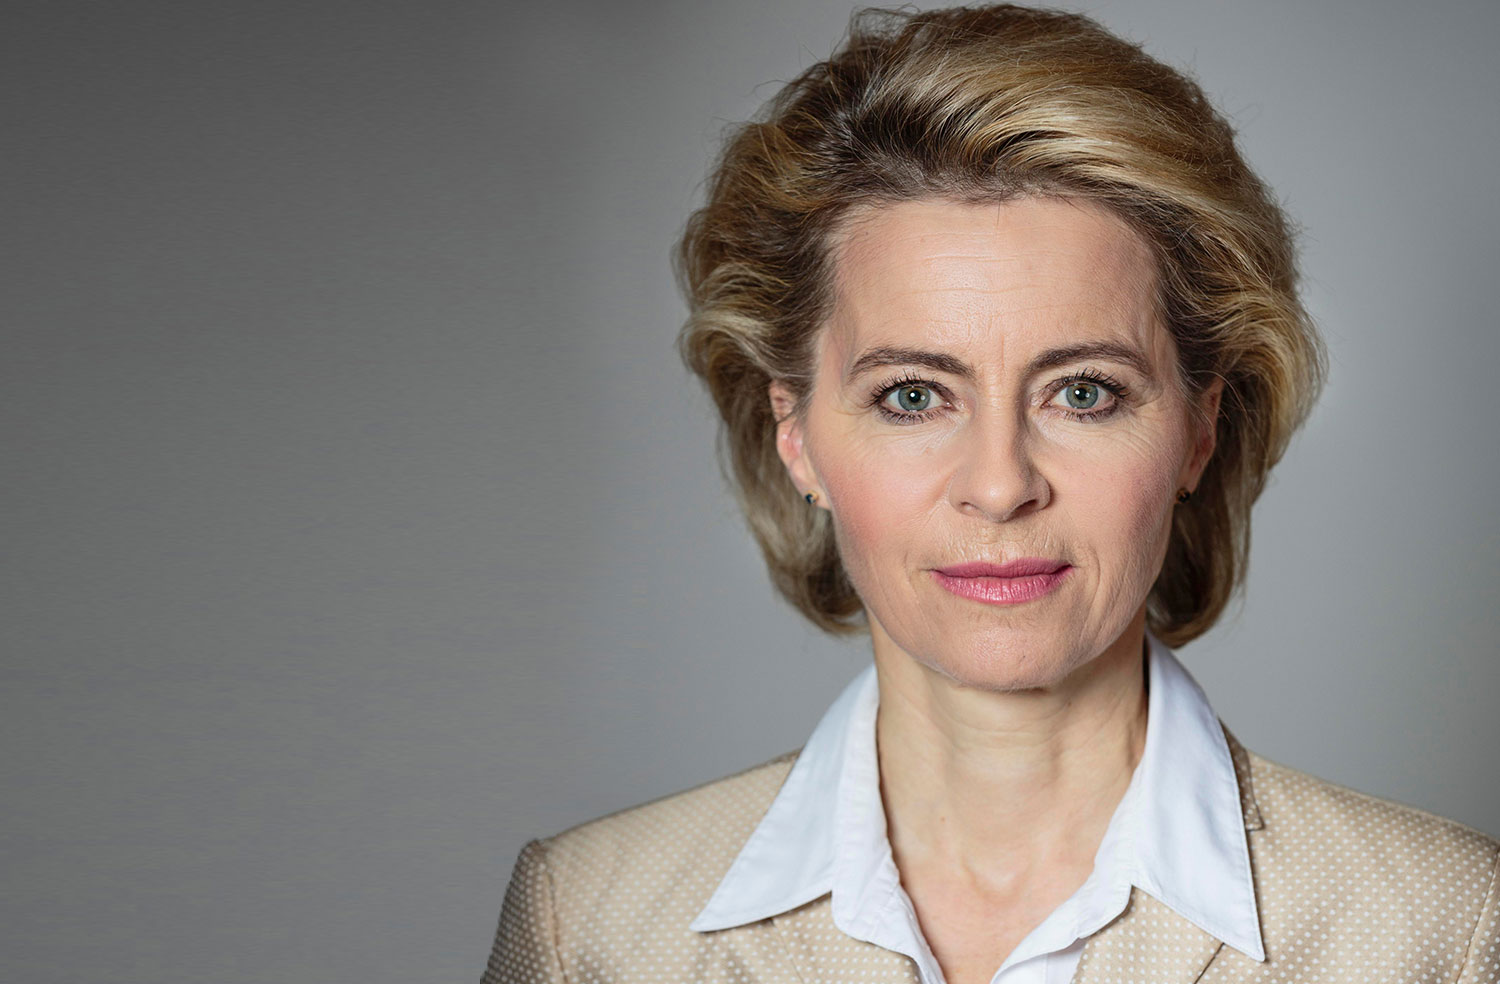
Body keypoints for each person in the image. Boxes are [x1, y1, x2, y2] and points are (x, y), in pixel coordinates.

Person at [482, 6, 1499, 983]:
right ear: (796, 437)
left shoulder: (1443, 930)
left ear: (1199, 429)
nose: (1002, 485)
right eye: (913, 395)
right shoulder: (591, 927)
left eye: (1084, 392)